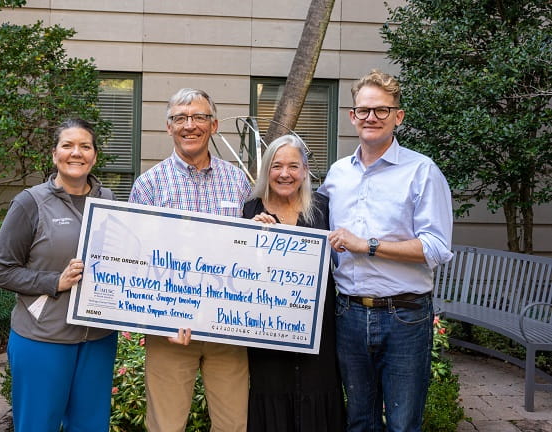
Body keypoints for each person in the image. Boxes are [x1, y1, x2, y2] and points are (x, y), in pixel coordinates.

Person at [317, 69, 453, 432]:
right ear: (352, 116)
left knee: (403, 424)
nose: (371, 118)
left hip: (404, 317)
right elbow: (309, 223)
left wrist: (370, 246)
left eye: (381, 110)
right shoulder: (337, 174)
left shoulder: (422, 172)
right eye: (364, 110)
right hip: (349, 314)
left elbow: (437, 247)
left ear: (398, 116)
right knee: (360, 422)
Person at [129, 88, 252, 432]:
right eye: (180, 118)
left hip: (227, 329)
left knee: (233, 425)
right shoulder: (149, 186)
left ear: (213, 126)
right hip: (169, 330)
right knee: (165, 426)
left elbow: (251, 254)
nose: (189, 125)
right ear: (168, 127)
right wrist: (158, 318)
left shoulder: (238, 182)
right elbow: (135, 260)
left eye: (199, 117)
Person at [0, 118, 118, 432]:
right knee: (37, 425)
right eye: (68, 145)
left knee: (91, 426)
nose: (76, 153)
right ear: (54, 154)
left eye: (85, 146)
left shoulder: (110, 202)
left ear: (94, 156)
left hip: (97, 340)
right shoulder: (30, 202)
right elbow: (2, 271)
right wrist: (53, 282)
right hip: (43, 338)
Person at [244, 135, 346, 432]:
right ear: (266, 170)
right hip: (268, 330)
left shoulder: (324, 210)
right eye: (276, 166)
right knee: (271, 393)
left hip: (318, 328)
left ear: (304, 171)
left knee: (318, 391)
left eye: (293, 166)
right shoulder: (250, 210)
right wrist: (251, 240)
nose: (284, 174)